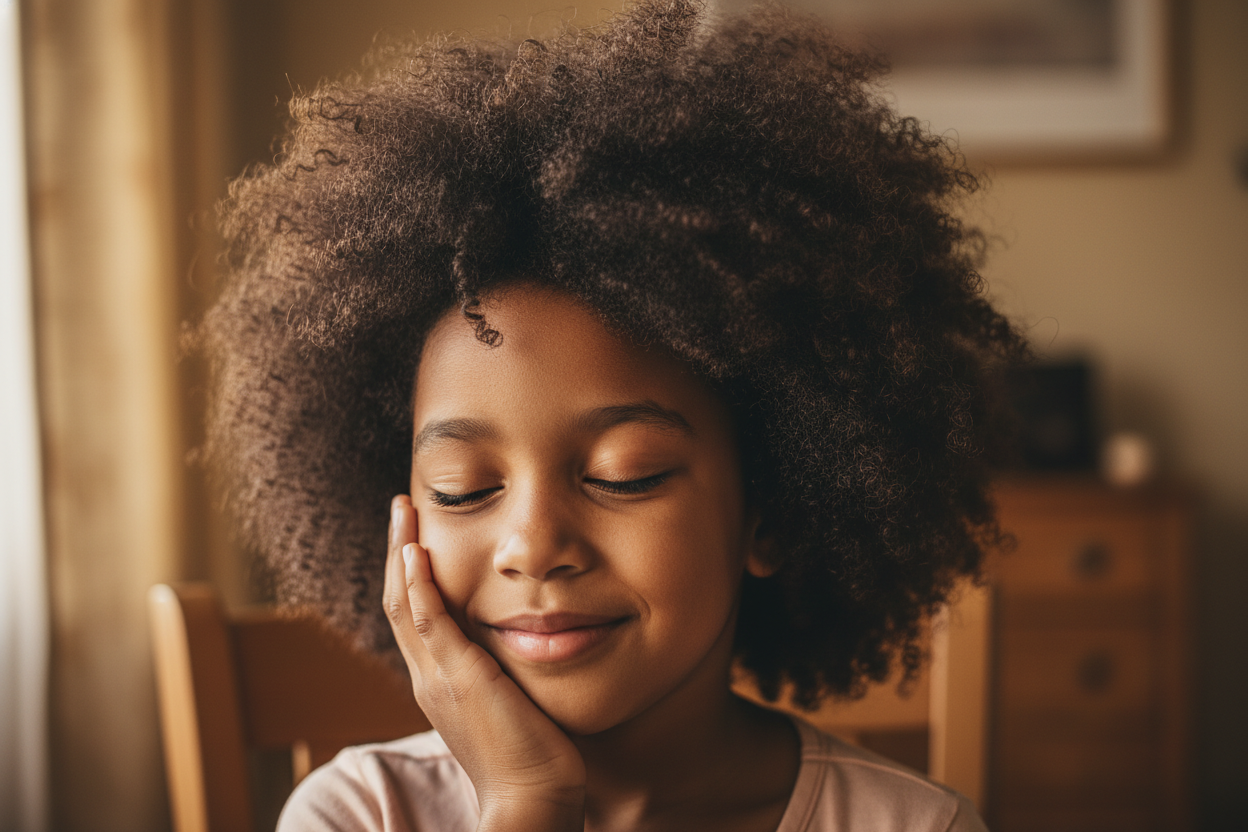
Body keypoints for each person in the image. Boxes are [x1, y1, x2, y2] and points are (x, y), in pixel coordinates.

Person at [199, 1, 1024, 829]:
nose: (533, 547)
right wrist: (528, 803)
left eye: (623, 474)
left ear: (769, 511)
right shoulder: (357, 813)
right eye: (460, 489)